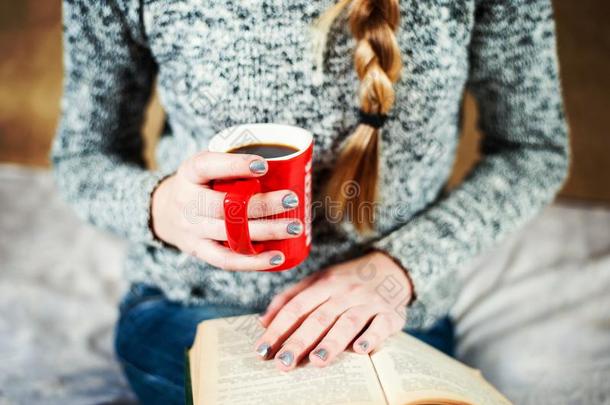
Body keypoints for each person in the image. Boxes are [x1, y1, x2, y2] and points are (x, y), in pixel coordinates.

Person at [52, 0, 569, 403]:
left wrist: (397, 271)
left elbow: (533, 150)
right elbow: (82, 158)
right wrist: (162, 207)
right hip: (189, 306)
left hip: (391, 318)